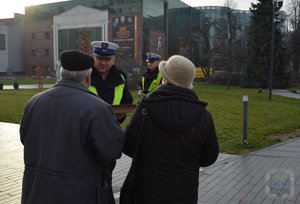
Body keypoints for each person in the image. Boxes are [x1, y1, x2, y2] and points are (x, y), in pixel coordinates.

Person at [20, 50, 124, 204]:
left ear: (62, 74)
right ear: (88, 77)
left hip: (36, 191)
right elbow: (111, 150)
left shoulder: (34, 102)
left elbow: (25, 138)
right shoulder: (98, 108)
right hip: (79, 192)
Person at [121, 55, 219, 204]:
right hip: (184, 193)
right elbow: (209, 157)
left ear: (165, 80)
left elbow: (129, 146)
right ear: (189, 83)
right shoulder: (203, 116)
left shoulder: (145, 109)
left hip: (146, 191)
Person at [89, 40, 133, 123]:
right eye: (99, 58)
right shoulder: (84, 77)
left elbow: (127, 101)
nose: (103, 62)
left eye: (107, 59)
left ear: (113, 60)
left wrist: (121, 116)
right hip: (89, 128)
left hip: (112, 128)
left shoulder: (120, 79)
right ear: (93, 58)